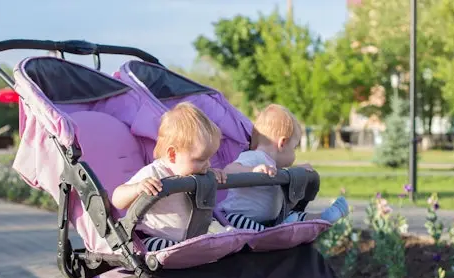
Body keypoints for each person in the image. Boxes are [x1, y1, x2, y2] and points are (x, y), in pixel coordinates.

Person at [112, 102, 227, 251]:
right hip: (157, 237)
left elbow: (207, 171)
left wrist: (215, 175)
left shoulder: (198, 172)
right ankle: (188, 251)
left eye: (209, 158)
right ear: (173, 155)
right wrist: (138, 188)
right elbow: (117, 199)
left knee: (221, 234)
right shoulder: (154, 173)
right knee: (149, 246)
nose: (207, 164)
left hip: (193, 236)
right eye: (200, 159)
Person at [219, 104, 348, 231]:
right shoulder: (254, 158)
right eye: (294, 148)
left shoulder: (274, 168)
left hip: (271, 220)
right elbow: (228, 171)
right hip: (238, 218)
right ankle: (272, 233)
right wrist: (252, 170)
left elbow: (285, 200)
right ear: (282, 143)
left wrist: (297, 171)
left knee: (294, 216)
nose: (294, 154)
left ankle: (321, 218)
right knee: (235, 221)